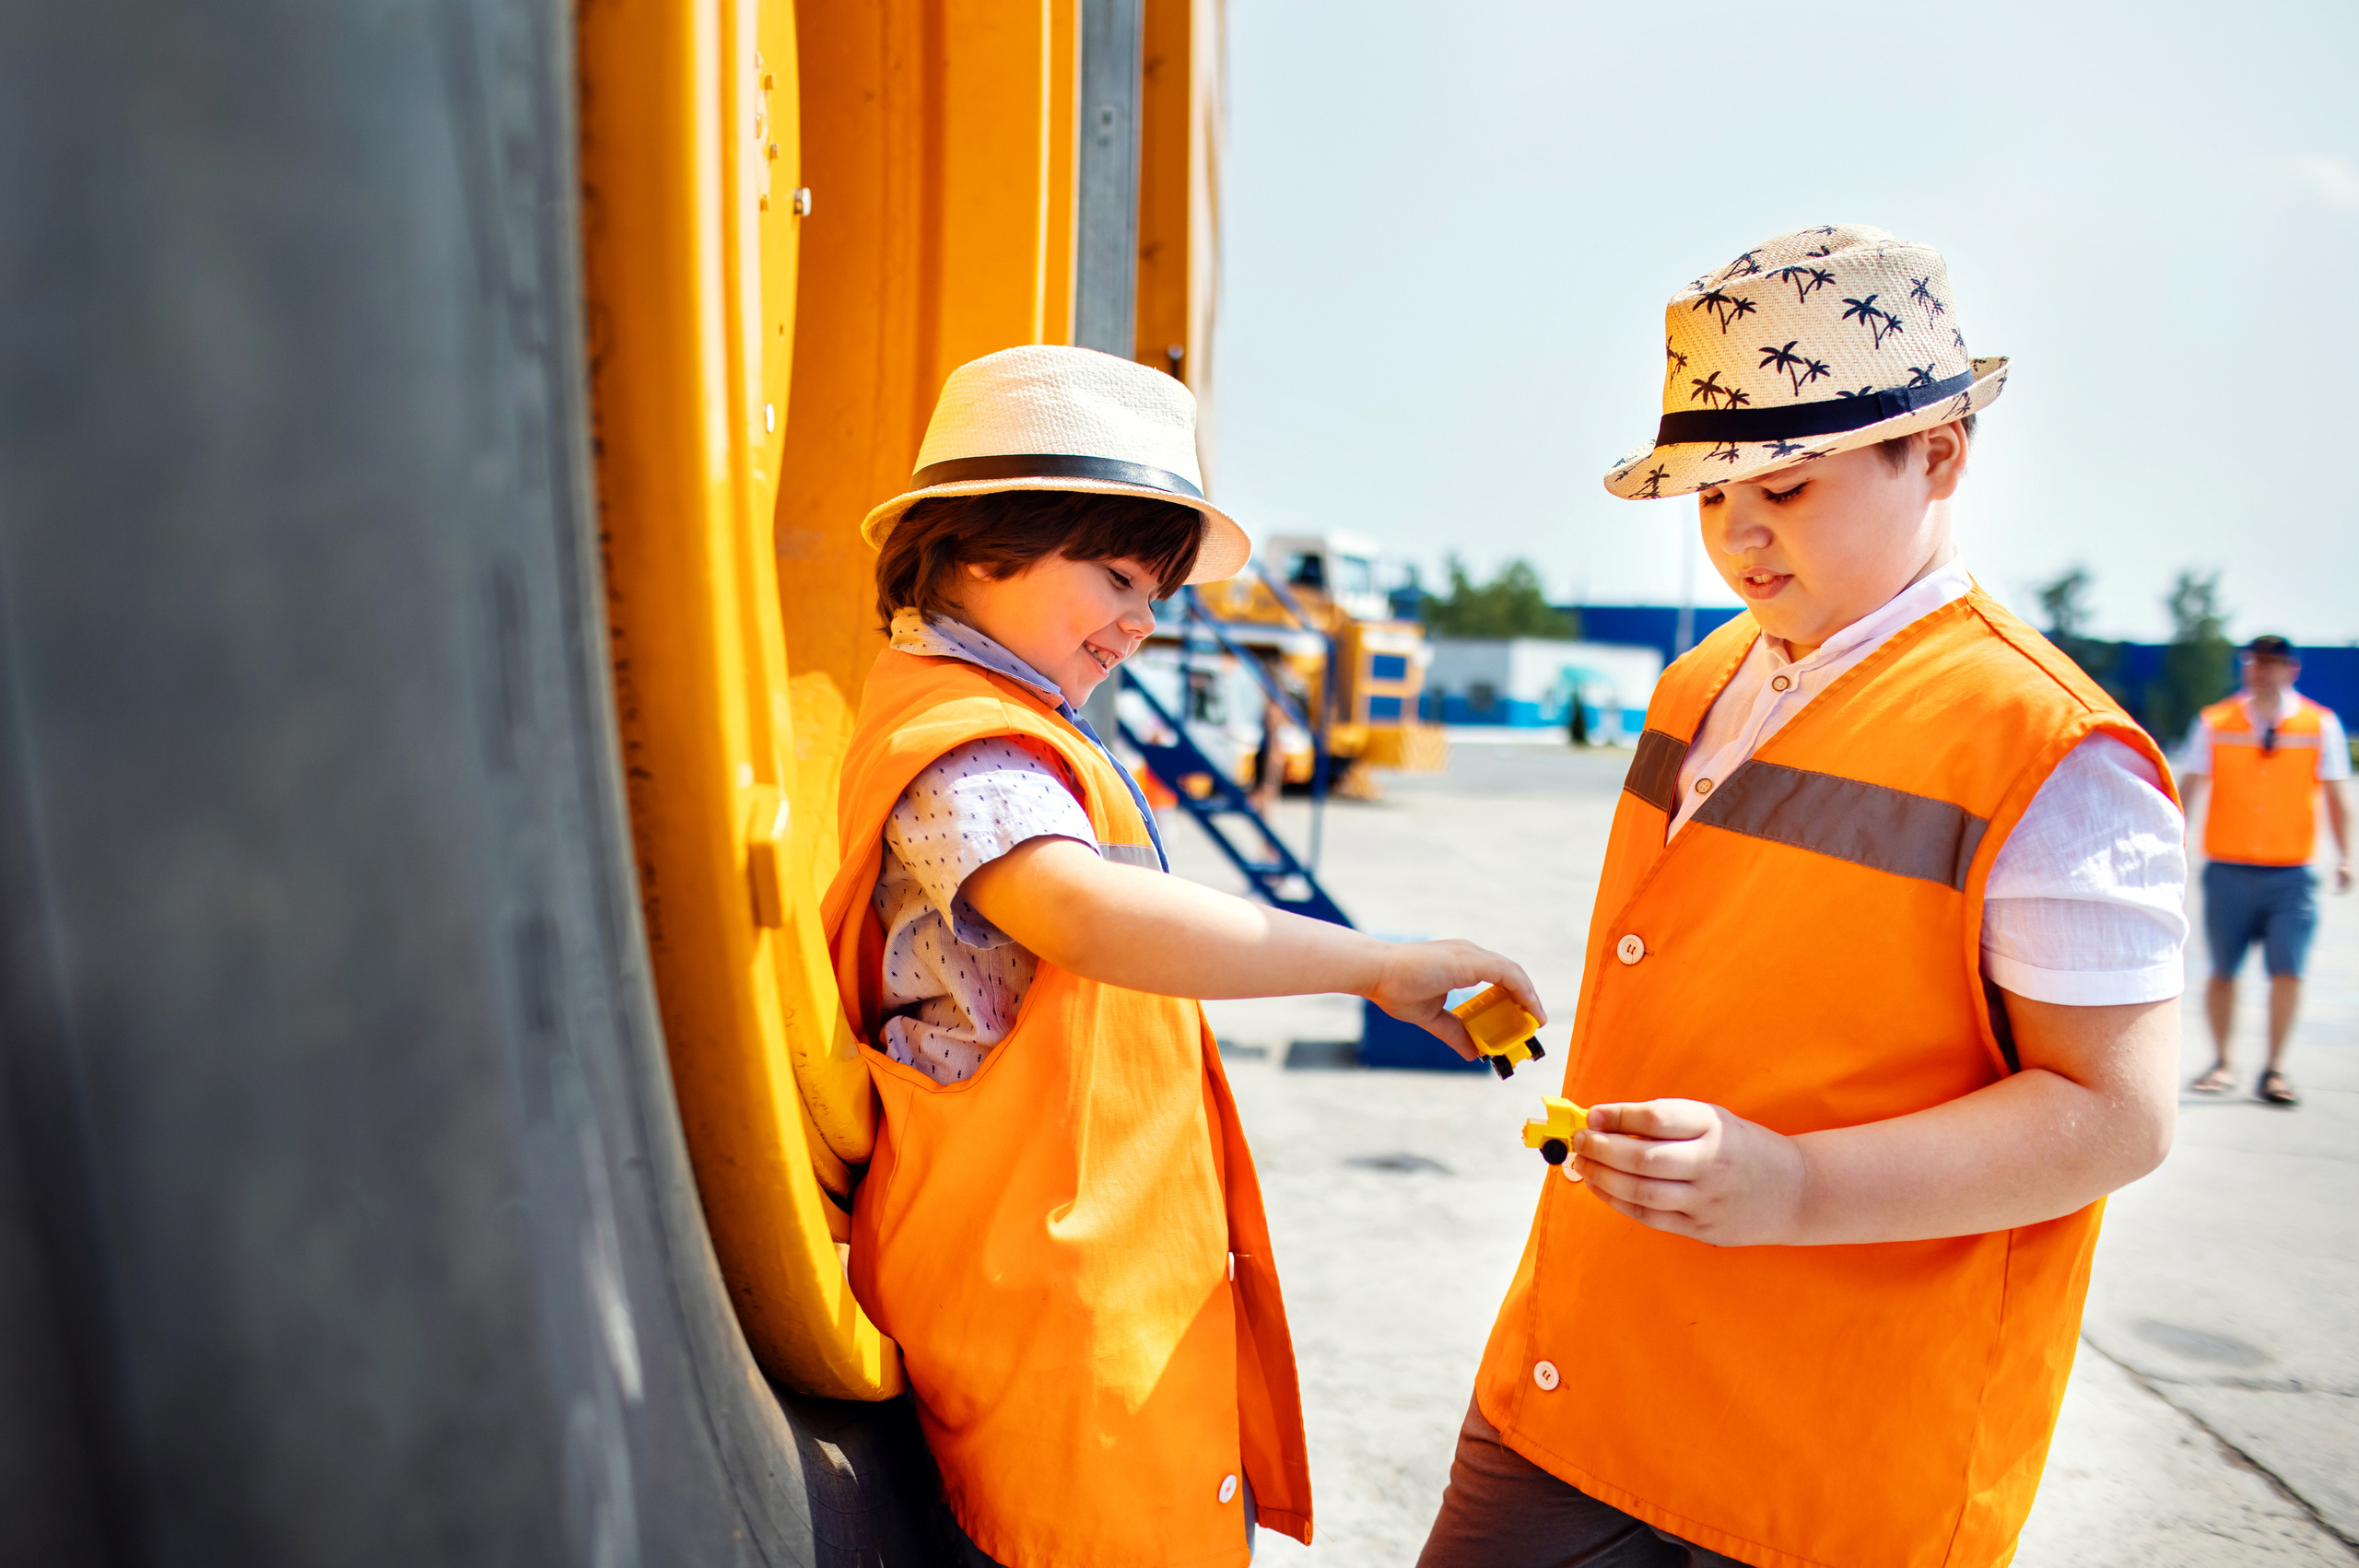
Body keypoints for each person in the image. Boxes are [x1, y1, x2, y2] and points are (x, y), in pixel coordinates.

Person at [1418, 226, 2189, 1568]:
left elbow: (2116, 1113)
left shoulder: (2051, 750)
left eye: (1785, 484)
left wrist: (1797, 1184)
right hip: (1584, 1370)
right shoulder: (1699, 679)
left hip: (1834, 1455)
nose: (1740, 534)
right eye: (1711, 496)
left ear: (1938, 453)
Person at [819, 345, 1543, 1568]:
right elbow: (1084, 912)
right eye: (1114, 576)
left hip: (1071, 1264)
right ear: (981, 546)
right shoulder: (969, 749)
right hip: (1044, 1285)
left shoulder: (995, 723)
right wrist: (1374, 964)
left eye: (1153, 590)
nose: (1142, 622)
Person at [2178, 635, 2353, 1106]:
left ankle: (2274, 1069)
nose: (2260, 670)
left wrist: (2345, 855)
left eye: (2271, 663)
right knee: (2223, 970)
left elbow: (2337, 797)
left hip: (2291, 874)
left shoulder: (2320, 724)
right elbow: (2188, 788)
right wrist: (2172, 845)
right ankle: (2222, 1062)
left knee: (2288, 971)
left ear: (2291, 670)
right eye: (2253, 662)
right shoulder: (2215, 721)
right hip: (2228, 869)